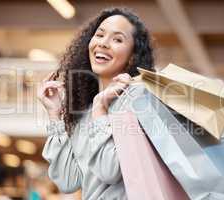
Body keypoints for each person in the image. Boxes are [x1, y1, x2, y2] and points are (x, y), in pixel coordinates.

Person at [37, 7, 155, 200]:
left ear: (133, 56)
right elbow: (68, 181)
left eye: (117, 39)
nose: (104, 43)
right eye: (99, 35)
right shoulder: (86, 110)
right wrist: (55, 115)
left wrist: (101, 111)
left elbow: (109, 172)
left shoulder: (138, 100)